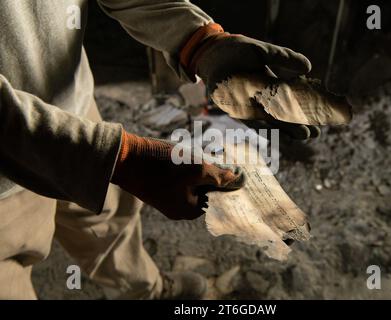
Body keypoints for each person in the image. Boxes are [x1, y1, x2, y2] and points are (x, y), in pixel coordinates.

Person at [0, 0, 314, 299]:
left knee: (108, 218)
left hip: (72, 105)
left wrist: (197, 40)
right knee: (8, 275)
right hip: (5, 175)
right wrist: (126, 159)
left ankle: (144, 291)